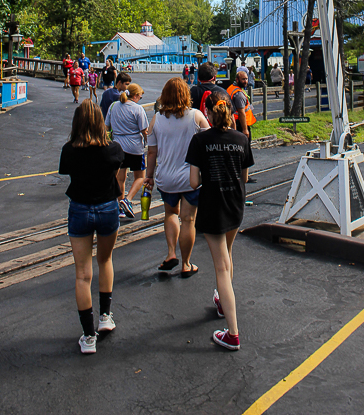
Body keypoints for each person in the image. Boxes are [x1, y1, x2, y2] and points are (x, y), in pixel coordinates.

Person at [186, 90, 254, 351]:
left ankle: (233, 333)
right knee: (228, 255)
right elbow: (245, 177)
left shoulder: (200, 141)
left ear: (209, 113)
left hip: (213, 205)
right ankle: (223, 303)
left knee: (221, 267)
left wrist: (207, 176)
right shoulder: (241, 138)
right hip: (235, 204)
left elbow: (194, 182)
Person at [58, 100, 124, 354]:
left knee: (82, 274)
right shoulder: (113, 149)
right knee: (105, 261)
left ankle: (88, 337)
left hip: (80, 209)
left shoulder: (70, 150)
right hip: (107, 207)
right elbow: (120, 167)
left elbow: (66, 172)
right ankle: (105, 316)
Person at [144, 78, 209, 276]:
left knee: (171, 213)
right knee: (188, 220)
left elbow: (152, 152)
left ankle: (171, 253)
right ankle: (186, 264)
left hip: (166, 177)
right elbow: (209, 142)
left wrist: (149, 176)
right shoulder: (196, 116)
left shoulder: (156, 119)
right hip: (191, 178)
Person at [105, 83, 148, 219]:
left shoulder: (113, 106)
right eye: (140, 97)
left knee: (120, 178)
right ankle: (127, 199)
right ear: (135, 96)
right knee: (140, 177)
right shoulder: (137, 109)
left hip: (117, 145)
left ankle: (120, 206)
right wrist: (149, 144)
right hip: (134, 146)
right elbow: (144, 130)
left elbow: (107, 126)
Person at [227, 67, 257, 183]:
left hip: (234, 123)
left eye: (246, 79)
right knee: (244, 150)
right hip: (240, 124)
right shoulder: (238, 94)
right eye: (243, 79)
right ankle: (243, 176)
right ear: (237, 79)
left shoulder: (232, 88)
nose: (246, 81)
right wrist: (245, 129)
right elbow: (241, 113)